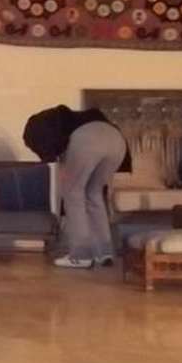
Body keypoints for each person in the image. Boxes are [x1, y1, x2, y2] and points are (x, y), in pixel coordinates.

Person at [23, 104, 131, 269]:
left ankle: (81, 255)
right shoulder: (64, 120)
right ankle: (104, 252)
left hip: (88, 139)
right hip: (116, 139)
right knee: (94, 193)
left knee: (72, 194)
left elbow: (55, 156)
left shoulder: (40, 130)